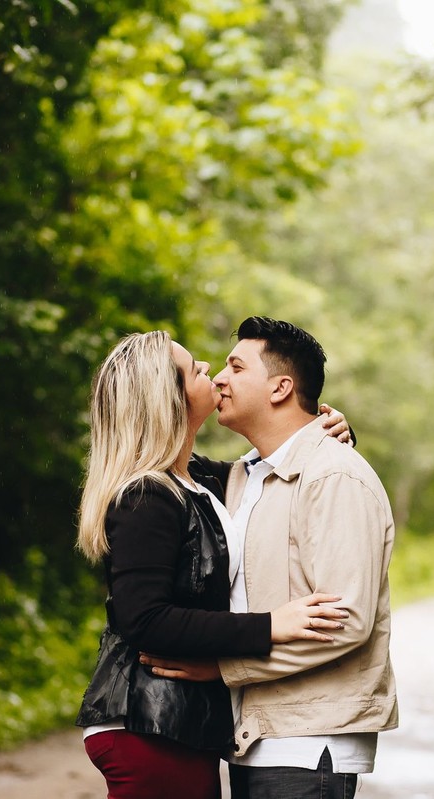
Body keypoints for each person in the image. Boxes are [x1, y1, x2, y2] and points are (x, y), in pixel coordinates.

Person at [73, 330, 355, 799]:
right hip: (148, 722)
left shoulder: (198, 478)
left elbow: (280, 463)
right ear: (171, 398)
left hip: (176, 722)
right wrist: (268, 627)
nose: (211, 372)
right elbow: (143, 618)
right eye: (196, 370)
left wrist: (327, 431)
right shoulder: (147, 496)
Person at [143, 317, 399, 799]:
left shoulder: (334, 477)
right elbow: (146, 450)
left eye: (236, 367)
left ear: (281, 387)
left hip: (308, 742)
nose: (219, 378)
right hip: (259, 734)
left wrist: (223, 667)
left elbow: (345, 620)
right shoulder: (243, 479)